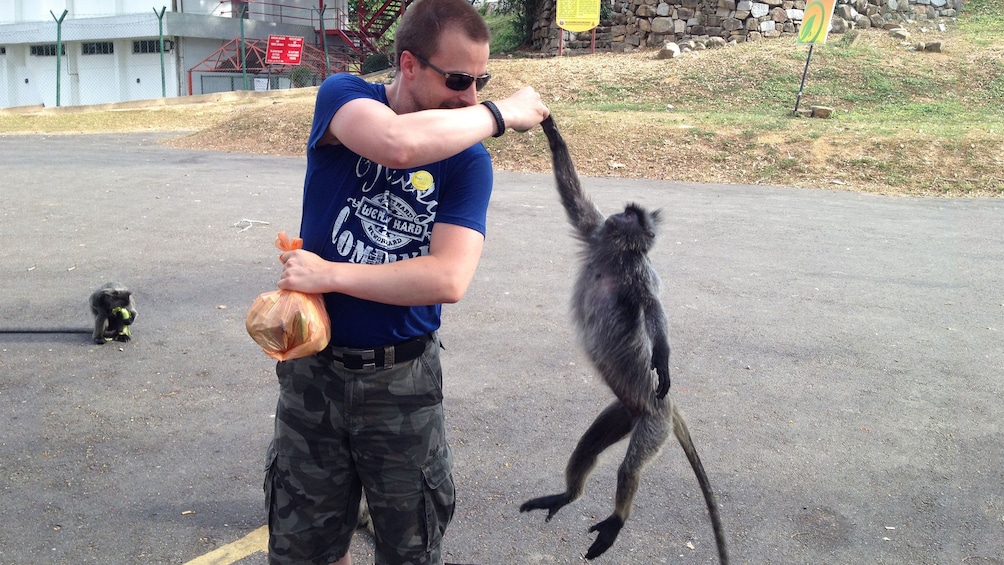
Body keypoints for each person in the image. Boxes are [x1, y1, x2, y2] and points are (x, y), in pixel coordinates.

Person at [262, 0, 550, 563]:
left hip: (403, 384)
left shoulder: (467, 161)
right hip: (312, 371)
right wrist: (499, 113)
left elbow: (448, 277)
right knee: (305, 547)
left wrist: (330, 274)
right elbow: (395, 144)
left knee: (411, 548)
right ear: (409, 65)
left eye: (481, 81)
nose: (469, 97)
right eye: (459, 80)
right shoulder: (344, 96)